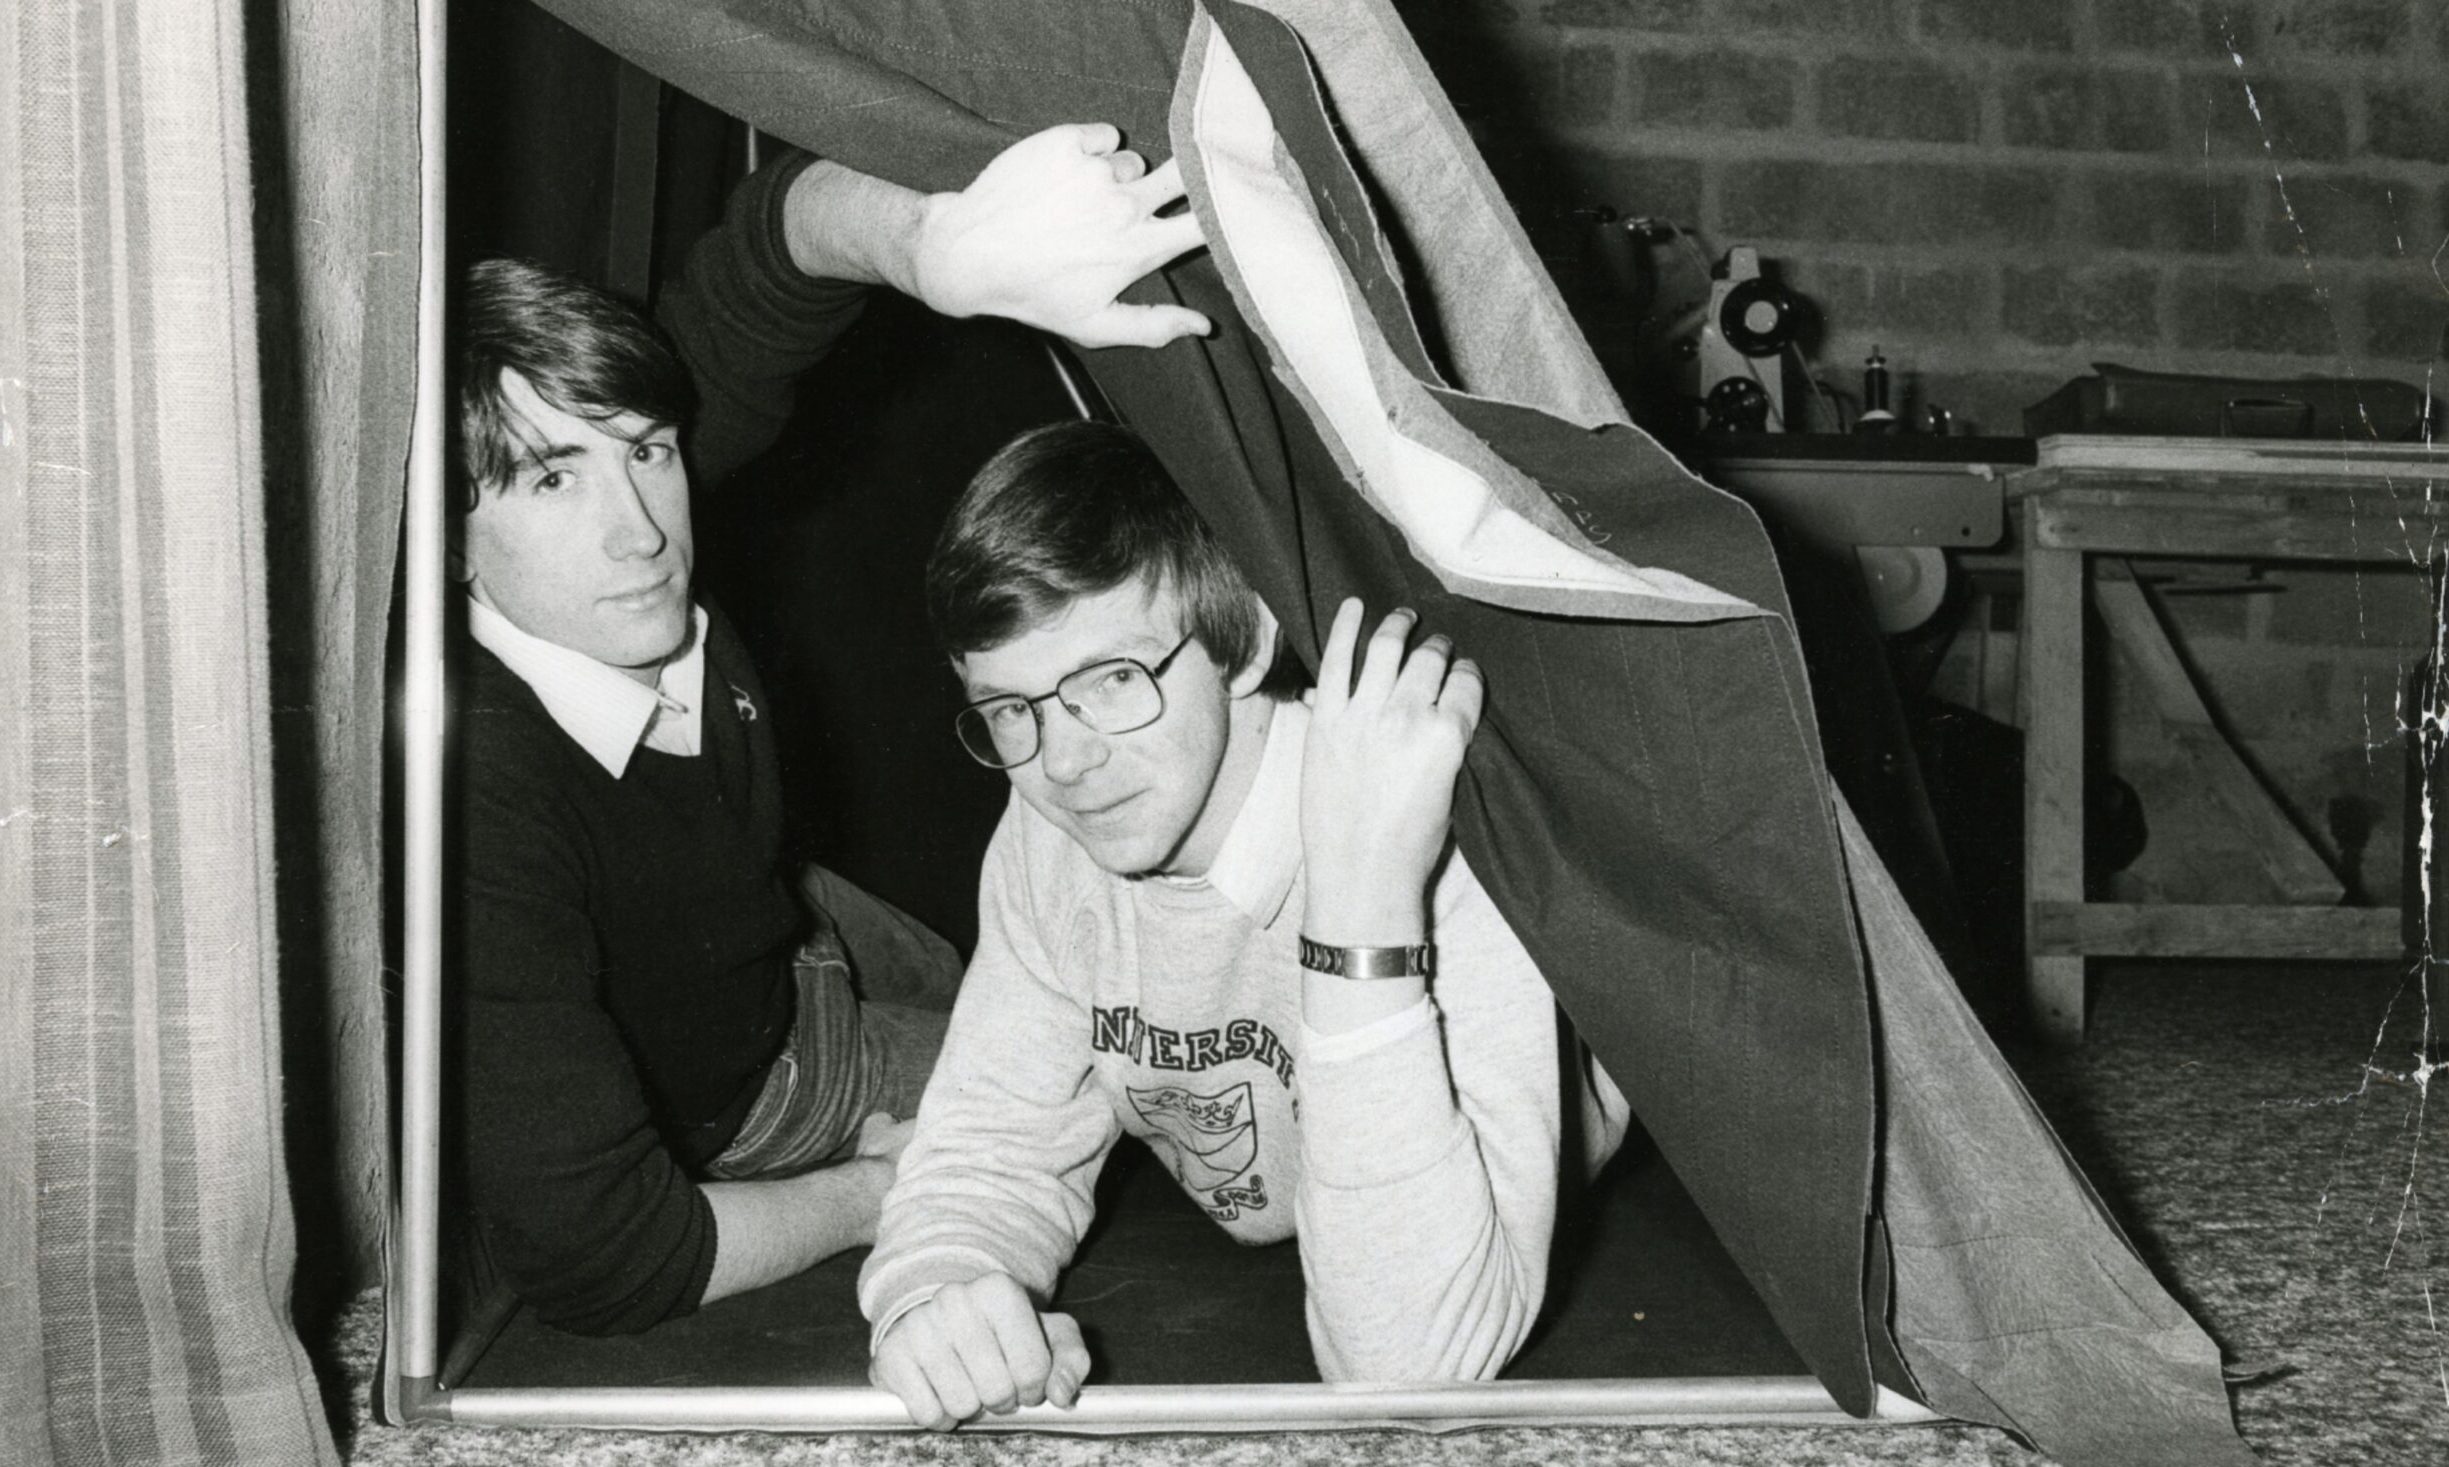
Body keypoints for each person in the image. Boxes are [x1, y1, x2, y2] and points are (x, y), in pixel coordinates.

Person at [451, 125, 1207, 1337]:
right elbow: (607, 1264)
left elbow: (778, 240)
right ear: (446, 537)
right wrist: (872, 1191)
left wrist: (933, 245)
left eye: (645, 455)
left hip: (785, 920)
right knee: (1135, 1088)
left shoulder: (624, 499)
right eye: (551, 481)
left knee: (1026, 979)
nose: (639, 530)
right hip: (747, 1080)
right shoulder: (474, 807)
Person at [858, 421, 1630, 1426]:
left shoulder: (1439, 827)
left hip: (1557, 1213)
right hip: (1283, 1234)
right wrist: (936, 1294)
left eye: (1112, 682)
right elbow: (994, 1149)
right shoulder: (1051, 833)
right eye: (1011, 708)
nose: (1064, 761)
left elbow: (1409, 1368)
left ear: (1247, 642)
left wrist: (1360, 898)